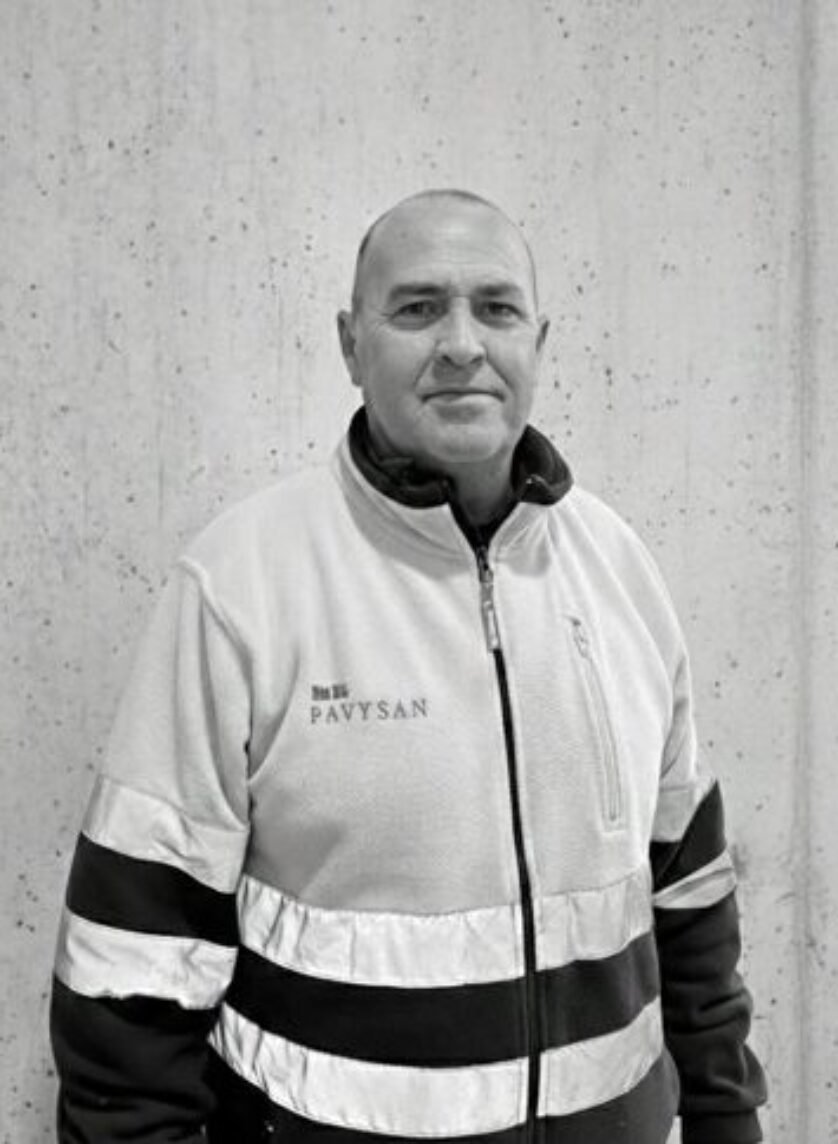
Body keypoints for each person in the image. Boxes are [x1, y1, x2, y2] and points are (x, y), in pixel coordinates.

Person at [50, 188, 767, 1144]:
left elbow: (691, 904)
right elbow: (130, 972)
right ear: (351, 345)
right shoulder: (239, 588)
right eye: (419, 308)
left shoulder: (619, 570)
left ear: (539, 342)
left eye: (496, 309)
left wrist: (726, 1120)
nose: (463, 344)